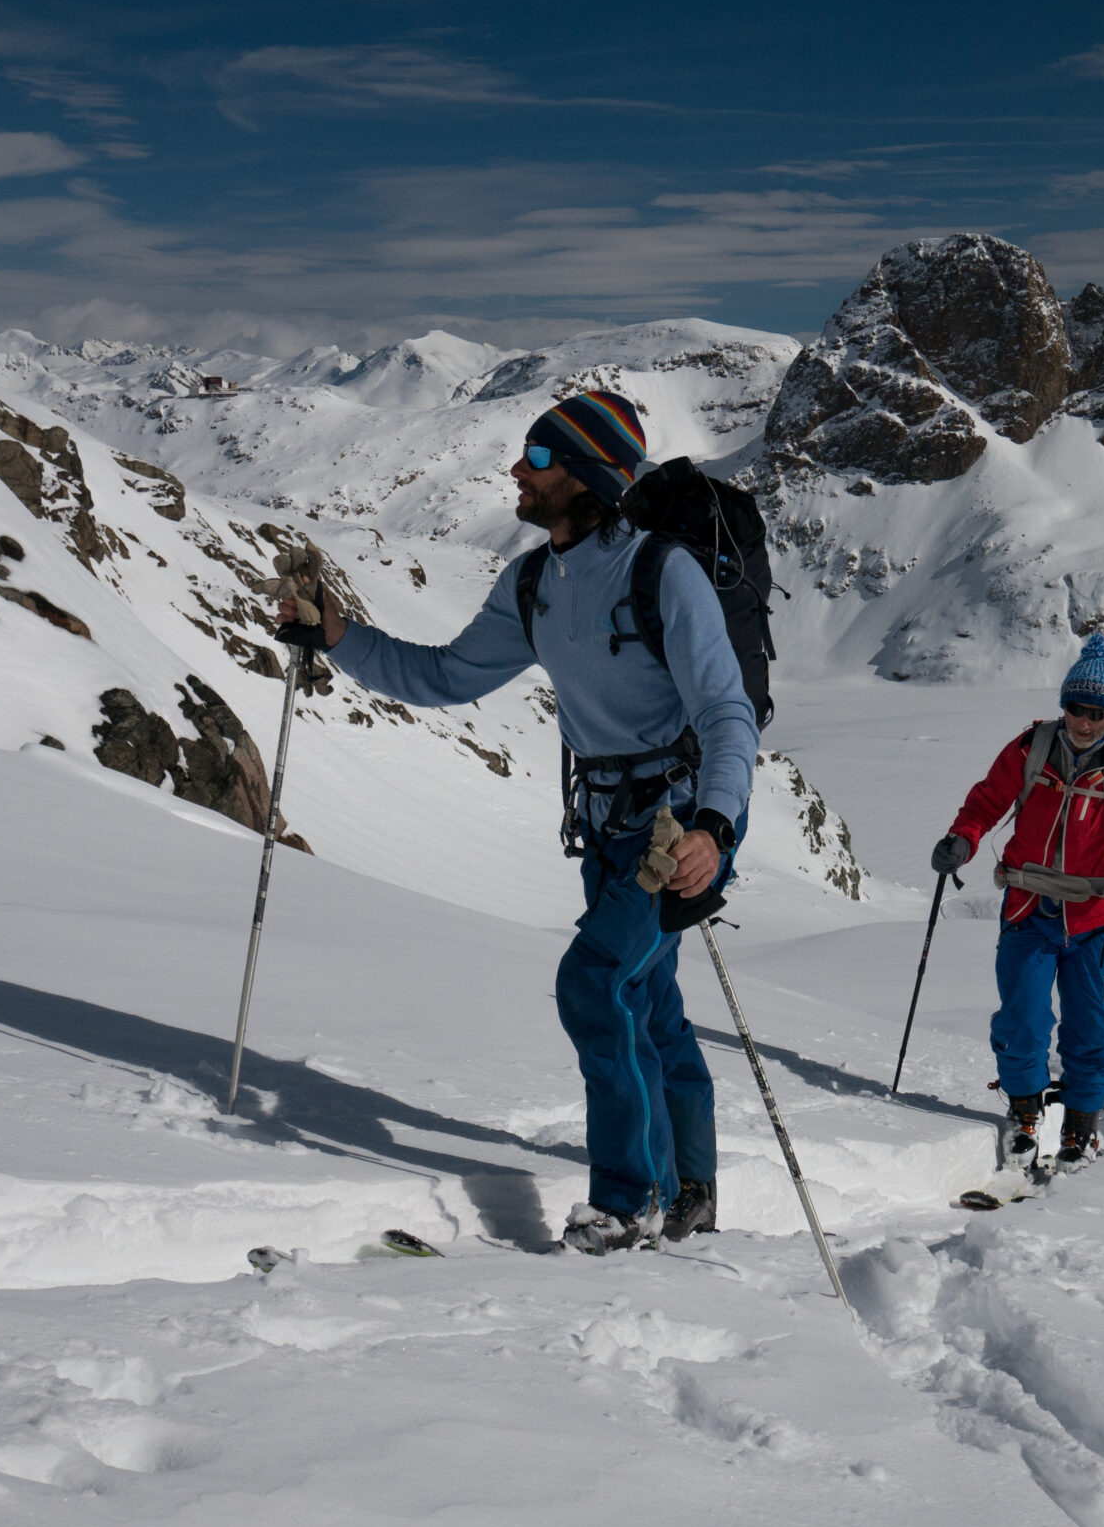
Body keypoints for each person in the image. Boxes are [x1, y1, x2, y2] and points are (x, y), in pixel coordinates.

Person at [274, 392, 757, 1254]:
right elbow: (445, 676)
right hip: (606, 824)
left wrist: (713, 831)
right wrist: (338, 635)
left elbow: (727, 713)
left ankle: (627, 1200)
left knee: (594, 983)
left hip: (674, 823)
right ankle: (691, 1188)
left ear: (590, 477)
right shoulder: (534, 582)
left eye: (538, 461)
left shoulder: (660, 572)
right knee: (648, 1001)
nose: (517, 474)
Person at [929, 633, 1104, 1168]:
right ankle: (1024, 1111)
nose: (1085, 721)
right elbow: (988, 798)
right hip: (1029, 907)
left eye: (1098, 712)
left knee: (1090, 1027)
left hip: (1095, 918)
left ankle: (1081, 1123)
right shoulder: (1032, 749)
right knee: (1022, 1019)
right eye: (1077, 708)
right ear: (1065, 706)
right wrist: (963, 837)